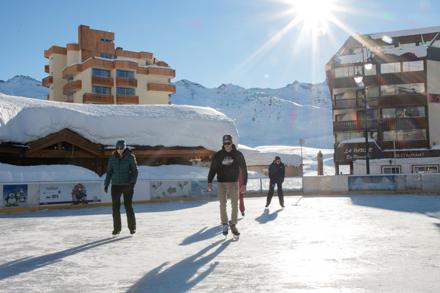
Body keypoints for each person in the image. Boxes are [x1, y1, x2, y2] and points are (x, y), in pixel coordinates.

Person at [207, 134, 247, 237]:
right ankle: (224, 223)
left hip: (234, 182)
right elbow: (213, 169)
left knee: (235, 204)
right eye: (225, 144)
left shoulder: (238, 155)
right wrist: (209, 181)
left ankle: (233, 224)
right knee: (222, 204)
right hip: (221, 183)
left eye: (228, 143)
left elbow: (244, 169)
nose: (226, 145)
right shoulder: (218, 155)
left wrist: (244, 184)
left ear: (232, 143)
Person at [104, 140, 139, 236]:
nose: (119, 150)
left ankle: (132, 228)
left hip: (127, 185)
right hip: (115, 185)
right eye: (118, 148)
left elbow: (135, 171)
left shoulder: (130, 157)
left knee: (128, 206)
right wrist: (106, 184)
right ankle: (117, 229)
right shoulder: (112, 158)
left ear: (124, 148)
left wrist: (132, 183)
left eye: (121, 148)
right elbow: (109, 172)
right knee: (115, 207)